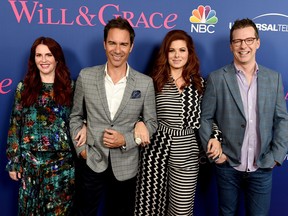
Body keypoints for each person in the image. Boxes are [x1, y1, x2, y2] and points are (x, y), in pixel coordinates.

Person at [69, 17, 157, 216]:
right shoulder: (86, 76)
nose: (118, 50)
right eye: (112, 43)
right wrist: (82, 150)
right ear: (104, 44)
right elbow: (75, 116)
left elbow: (152, 123)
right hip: (92, 160)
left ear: (131, 46)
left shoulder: (144, 83)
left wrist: (126, 139)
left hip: (126, 165)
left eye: (123, 44)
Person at [199, 18, 288, 215]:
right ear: (231, 46)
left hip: (262, 166)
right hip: (227, 164)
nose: (243, 46)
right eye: (238, 41)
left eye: (249, 40)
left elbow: (282, 119)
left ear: (258, 42)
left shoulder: (274, 78)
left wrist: (276, 156)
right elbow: (205, 119)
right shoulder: (217, 78)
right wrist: (217, 155)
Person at [134, 30, 222, 216]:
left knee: (181, 210)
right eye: (172, 50)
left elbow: (208, 118)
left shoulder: (199, 84)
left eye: (182, 50)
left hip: (188, 153)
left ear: (189, 53)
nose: (177, 55)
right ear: (165, 53)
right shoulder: (153, 81)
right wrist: (139, 122)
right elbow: (138, 111)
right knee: (149, 209)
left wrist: (215, 137)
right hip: (155, 152)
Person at [6, 36, 87, 215]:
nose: (43, 60)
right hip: (30, 165)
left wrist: (86, 126)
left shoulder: (70, 87)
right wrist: (14, 161)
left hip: (62, 166)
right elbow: (15, 125)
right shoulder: (23, 88)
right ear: (33, 59)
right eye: (39, 55)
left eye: (48, 55)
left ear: (57, 58)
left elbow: (84, 115)